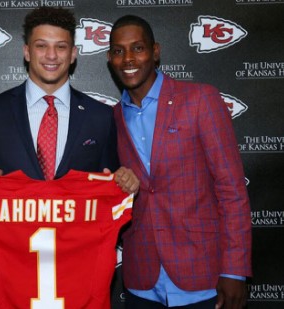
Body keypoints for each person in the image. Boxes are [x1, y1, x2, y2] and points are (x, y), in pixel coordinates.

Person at [107, 15, 252, 309]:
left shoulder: (200, 100)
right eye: (119, 51)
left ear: (156, 51)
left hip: (204, 278)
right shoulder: (112, 118)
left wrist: (234, 268)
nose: (128, 59)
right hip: (141, 281)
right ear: (110, 59)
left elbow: (232, 189)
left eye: (138, 48)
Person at [0, 6, 139, 192]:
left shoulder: (101, 116)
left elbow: (110, 190)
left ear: (73, 54)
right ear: (27, 52)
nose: (51, 55)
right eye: (41, 46)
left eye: (61, 46)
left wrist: (125, 183)